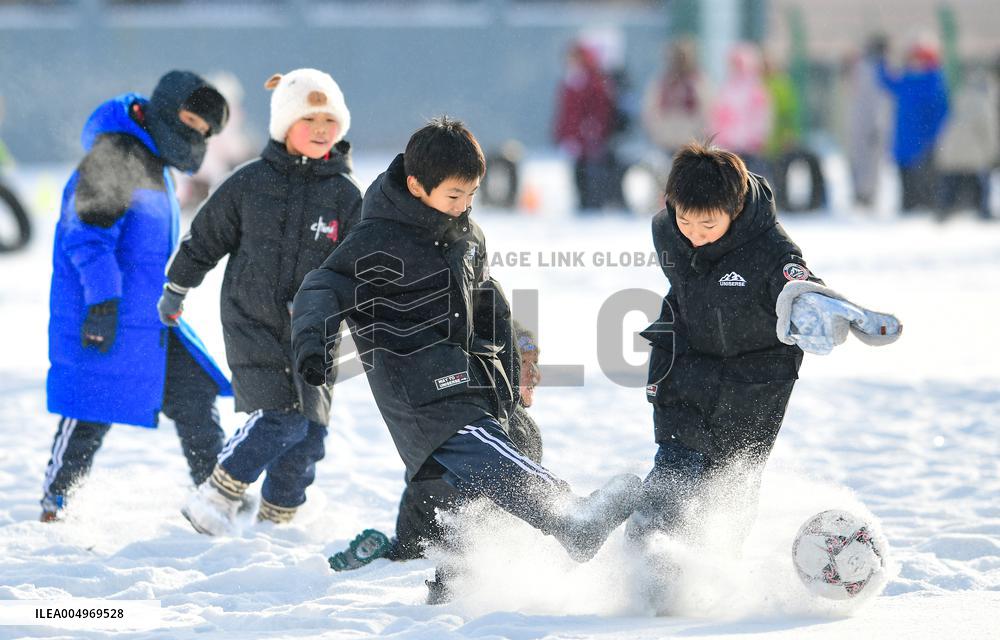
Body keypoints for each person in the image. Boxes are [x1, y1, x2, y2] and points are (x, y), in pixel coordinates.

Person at [291, 117, 640, 586]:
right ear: (416, 185)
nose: (464, 207)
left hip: (474, 379)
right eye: (454, 196)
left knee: (518, 443)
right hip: (419, 394)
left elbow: (487, 300)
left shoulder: (466, 236)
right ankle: (572, 520)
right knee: (484, 452)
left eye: (471, 195)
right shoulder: (375, 241)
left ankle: (458, 576)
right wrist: (315, 346)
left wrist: (522, 346)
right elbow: (322, 289)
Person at [631, 142, 901, 569]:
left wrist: (818, 304)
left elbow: (801, 283)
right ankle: (646, 557)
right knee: (674, 466)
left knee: (732, 479)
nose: (694, 234)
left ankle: (714, 568)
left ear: (734, 210)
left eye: (707, 225)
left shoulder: (770, 248)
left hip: (756, 380)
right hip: (686, 362)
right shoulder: (666, 228)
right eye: (685, 220)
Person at [160, 68, 362, 534]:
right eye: (308, 120)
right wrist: (177, 287)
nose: (320, 130)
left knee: (310, 435)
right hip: (254, 323)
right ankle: (215, 495)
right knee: (281, 419)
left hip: (316, 336)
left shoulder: (346, 196)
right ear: (283, 125)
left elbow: (363, 268)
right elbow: (204, 238)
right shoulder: (249, 183)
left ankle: (275, 524)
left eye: (329, 122)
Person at [42, 70, 233, 521]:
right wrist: (103, 303)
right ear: (164, 106)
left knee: (194, 395)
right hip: (106, 310)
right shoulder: (117, 153)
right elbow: (86, 236)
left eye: (204, 130)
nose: (195, 133)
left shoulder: (151, 158)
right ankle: (55, 506)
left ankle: (218, 504)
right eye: (190, 118)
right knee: (90, 406)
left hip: (149, 317)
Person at [329, 321, 545, 570]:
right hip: (446, 541)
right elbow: (496, 507)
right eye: (524, 363)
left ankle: (389, 552)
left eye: (535, 363)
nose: (534, 375)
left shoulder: (467, 409)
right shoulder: (502, 427)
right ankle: (388, 555)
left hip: (420, 533)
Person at [877, 36, 949, 213]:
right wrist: (881, 60)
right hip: (905, 145)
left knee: (923, 189)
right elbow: (887, 81)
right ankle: (909, 209)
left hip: (923, 148)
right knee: (906, 187)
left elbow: (941, 118)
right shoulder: (909, 80)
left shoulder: (933, 82)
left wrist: (932, 142)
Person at [553, 42, 618, 212]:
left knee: (593, 175)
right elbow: (565, 113)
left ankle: (594, 205)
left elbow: (600, 111)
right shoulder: (570, 82)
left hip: (591, 139)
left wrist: (593, 131)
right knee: (578, 175)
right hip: (575, 139)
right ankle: (583, 204)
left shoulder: (594, 82)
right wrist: (563, 135)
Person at [707, 43, 772, 176]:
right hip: (729, 146)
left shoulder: (755, 89)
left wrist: (758, 137)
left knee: (750, 178)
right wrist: (719, 137)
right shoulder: (727, 88)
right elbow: (718, 115)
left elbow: (761, 116)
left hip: (749, 146)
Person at [641, 38, 711, 158]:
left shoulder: (698, 83)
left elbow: (708, 110)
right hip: (666, 143)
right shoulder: (662, 83)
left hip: (691, 144)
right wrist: (659, 133)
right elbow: (650, 111)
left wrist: (697, 133)